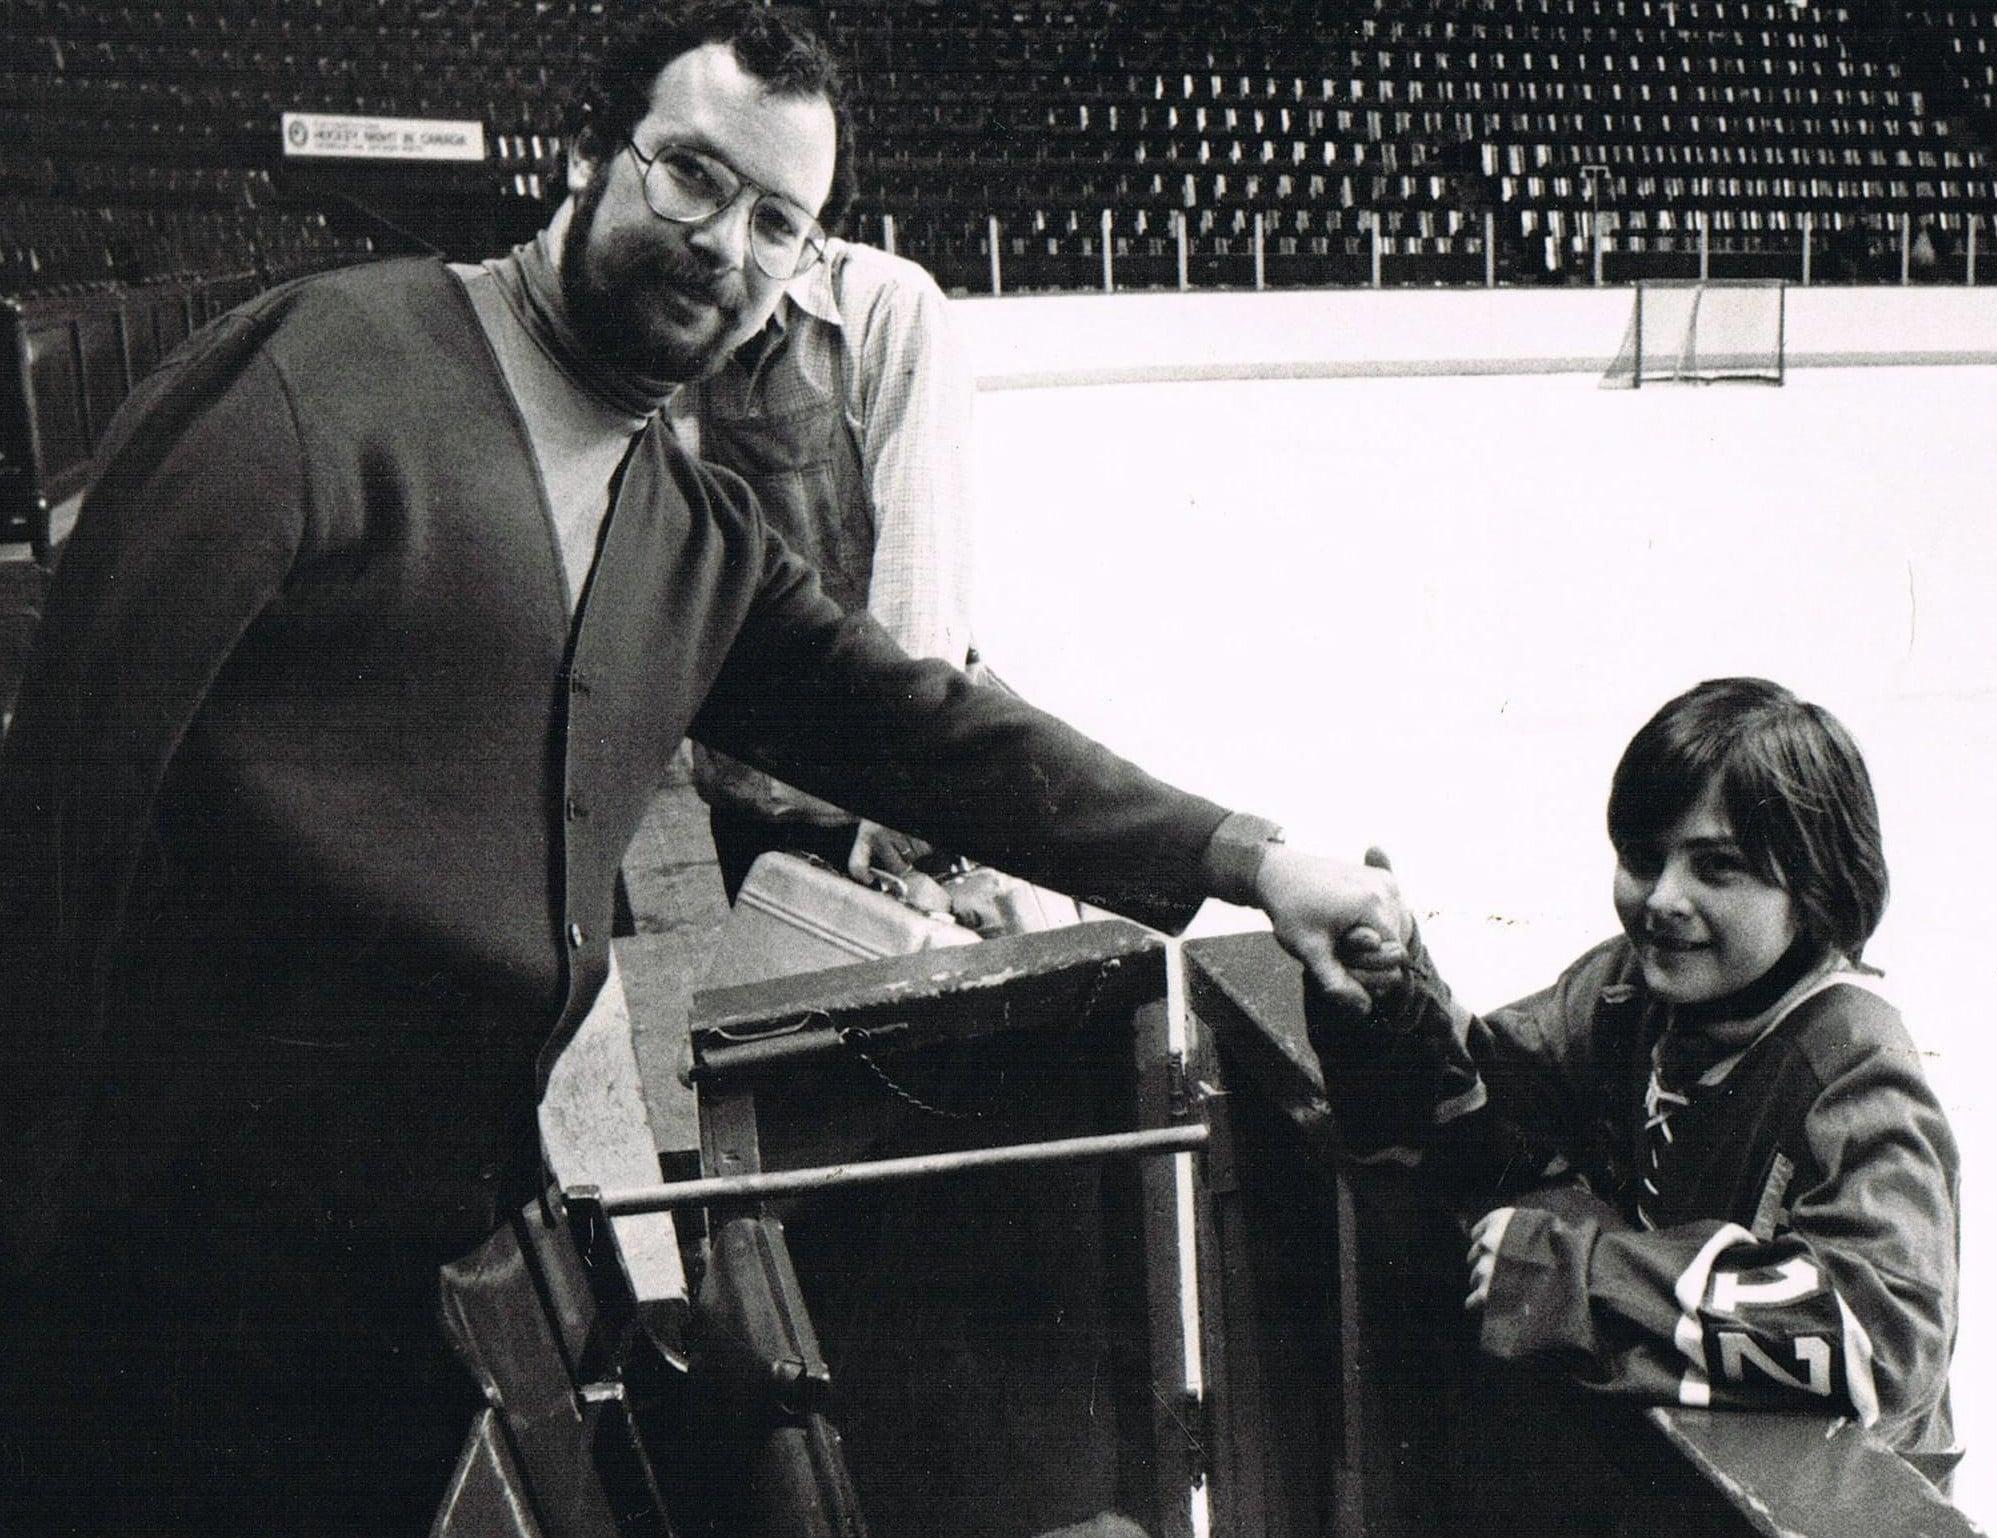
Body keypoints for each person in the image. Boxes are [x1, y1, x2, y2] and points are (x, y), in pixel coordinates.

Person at [0, 5, 1402, 1532]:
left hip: (425, 1266)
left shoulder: (687, 521)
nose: (724, 241)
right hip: (170, 1268)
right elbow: (70, 795)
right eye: (690, 175)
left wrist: (1248, 857)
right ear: (587, 158)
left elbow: (926, 727)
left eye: (776, 220)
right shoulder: (322, 374)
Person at [1307, 678, 1959, 1523]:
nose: (1661, 901)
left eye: (1715, 868)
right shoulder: (1631, 989)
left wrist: (1583, 1277)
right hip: (1672, 1483)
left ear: (1817, 887)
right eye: (1644, 857)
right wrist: (1396, 999)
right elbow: (1506, 1093)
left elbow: (1885, 1336)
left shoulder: (1855, 1066)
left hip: (1827, 1513)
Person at [670, 230, 999, 903]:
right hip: (745, 785)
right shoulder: (674, 309)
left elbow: (921, 558)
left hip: (877, 797)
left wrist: (901, 783)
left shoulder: (884, 304)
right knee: (780, 994)